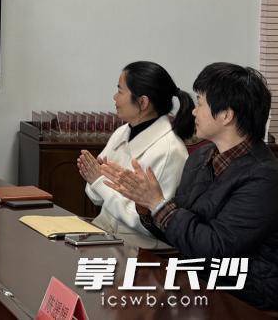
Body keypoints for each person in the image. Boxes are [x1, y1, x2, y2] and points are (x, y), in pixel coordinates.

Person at [102, 63, 278, 310]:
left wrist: (158, 204)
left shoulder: (265, 177)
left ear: (226, 115)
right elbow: (180, 232)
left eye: (200, 103)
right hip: (196, 282)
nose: (194, 111)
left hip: (244, 296)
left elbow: (215, 248)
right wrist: (146, 208)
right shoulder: (201, 157)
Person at [77, 61, 192, 249]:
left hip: (140, 248)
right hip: (104, 234)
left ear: (143, 102)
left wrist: (99, 181)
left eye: (120, 91)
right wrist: (97, 181)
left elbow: (146, 223)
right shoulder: (122, 132)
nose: (115, 97)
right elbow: (96, 197)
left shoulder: (170, 150)